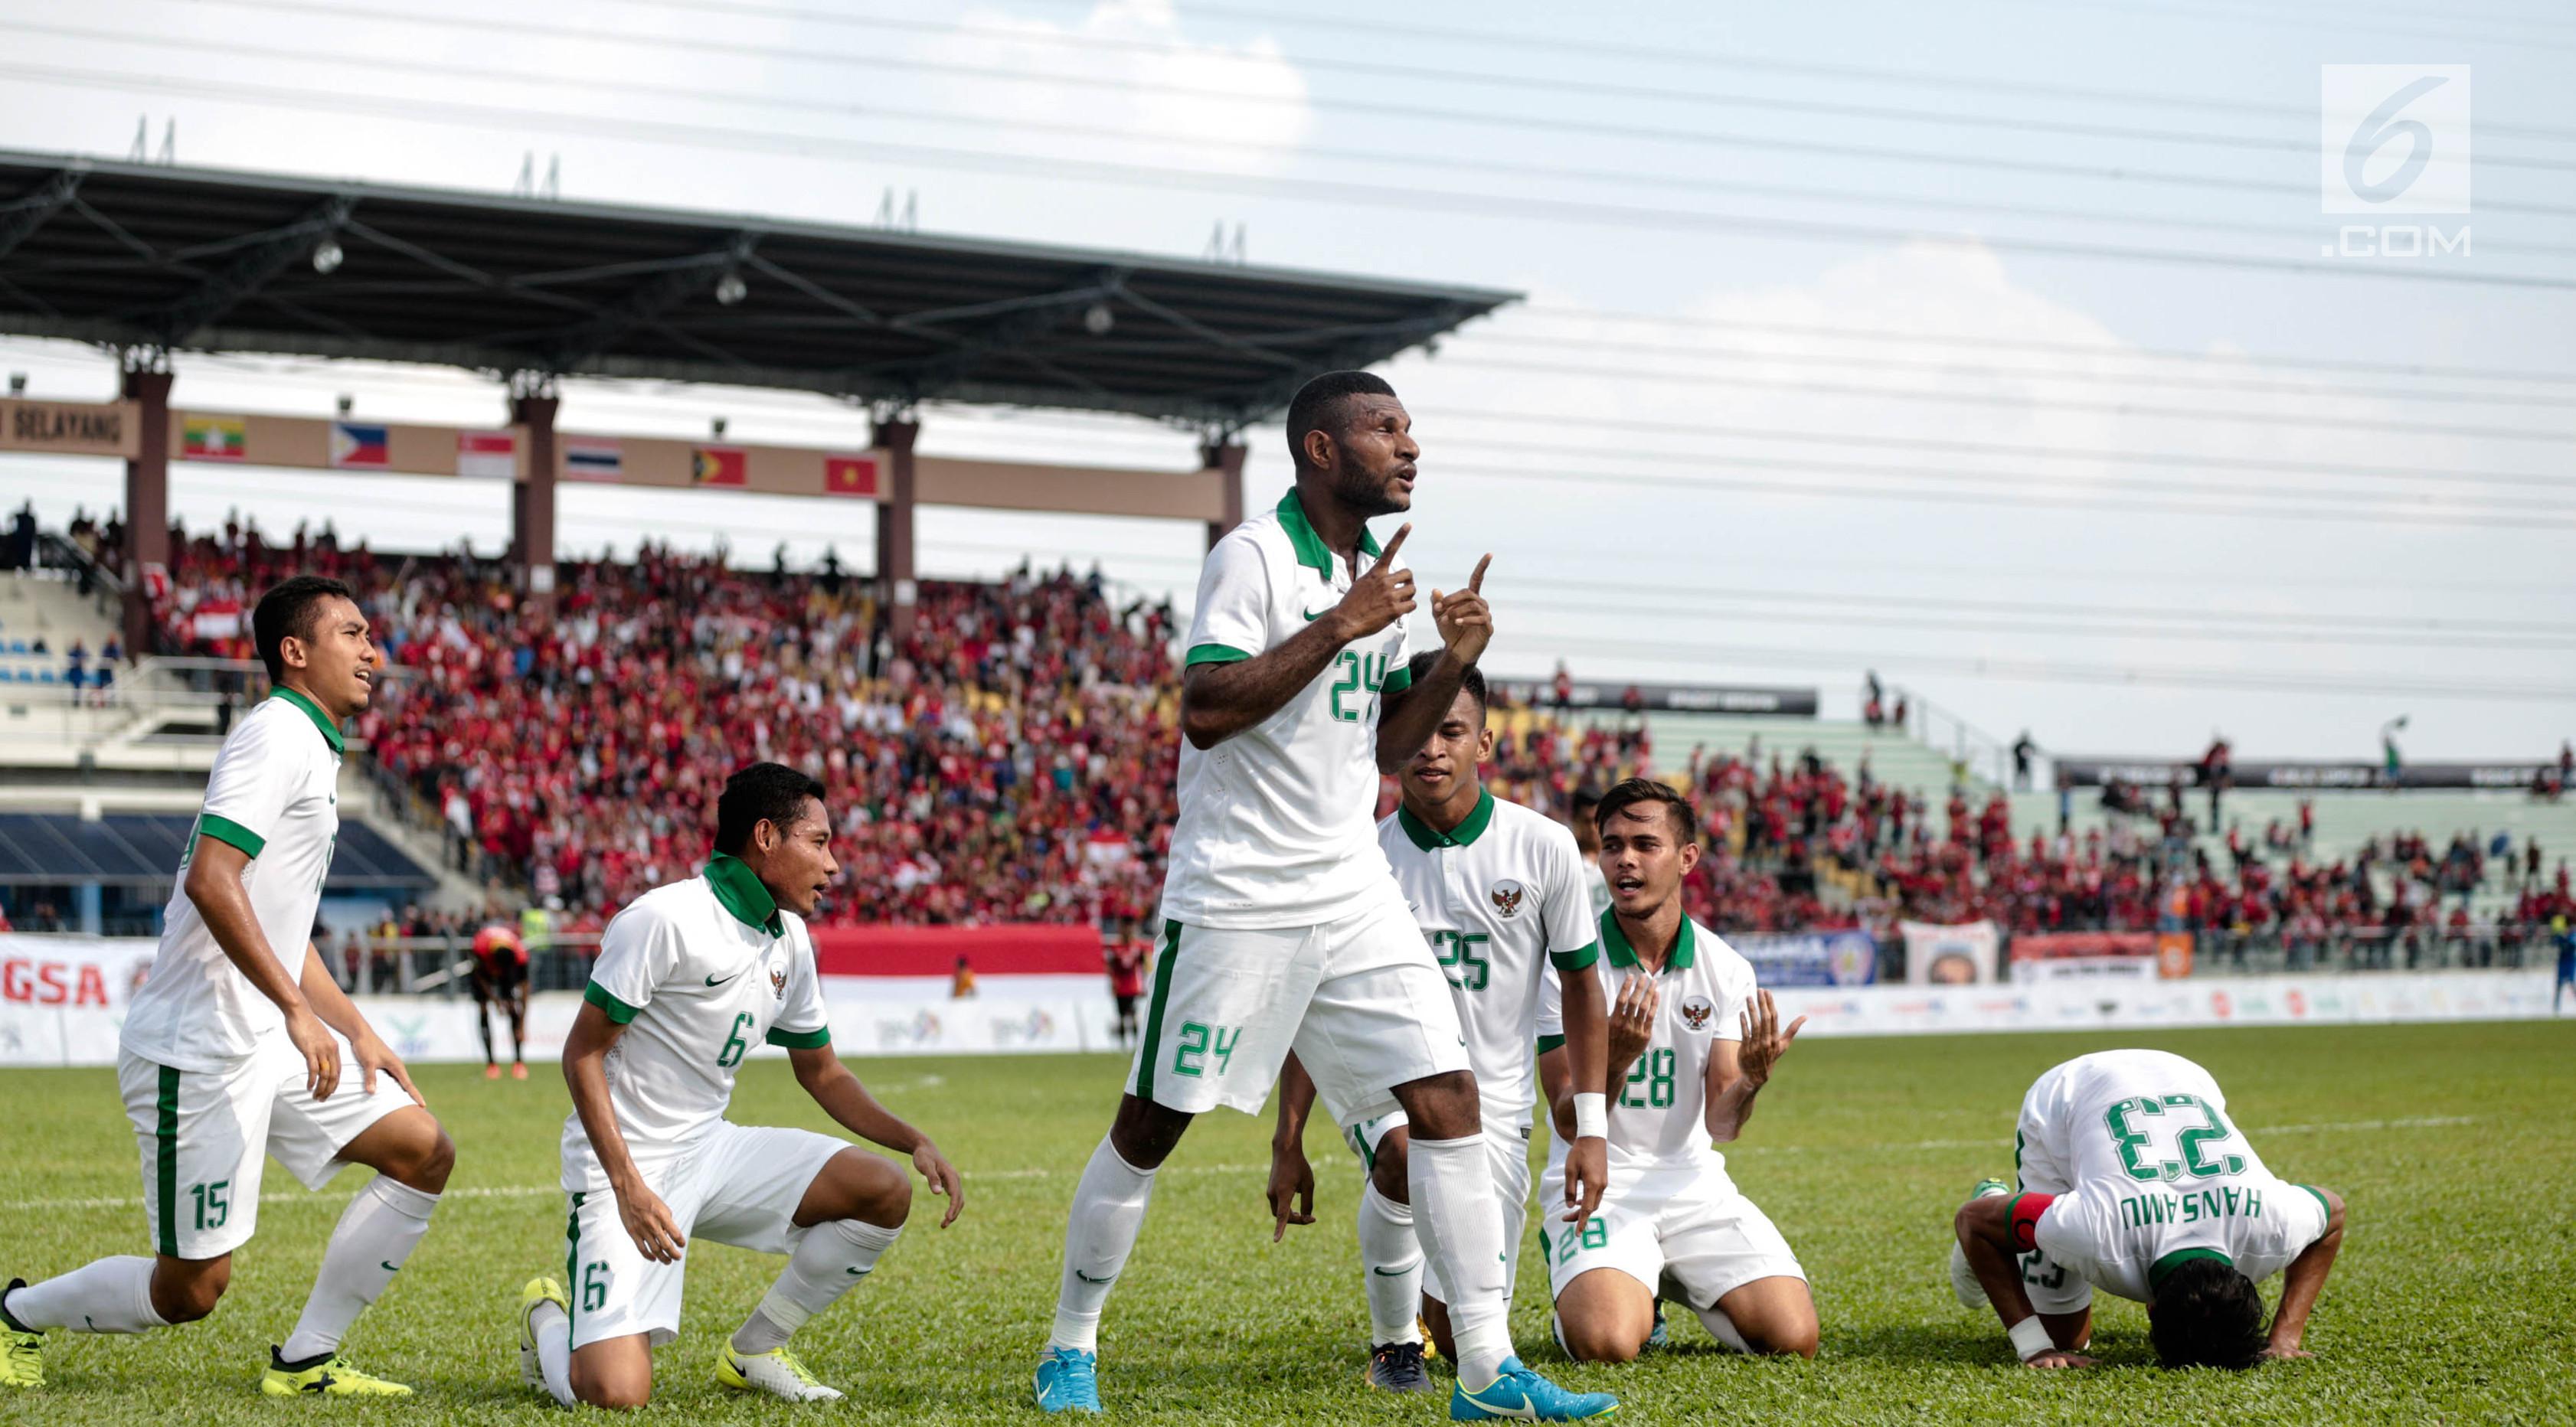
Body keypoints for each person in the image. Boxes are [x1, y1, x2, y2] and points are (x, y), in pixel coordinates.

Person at [1032, 371, 1613, 1421]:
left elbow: (1390, 746)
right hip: (1238, 893)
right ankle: (1069, 1348)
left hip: (1352, 887)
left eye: (1409, 428)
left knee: (1448, 1104)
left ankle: (1484, 1369)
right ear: (1321, 450)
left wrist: (1452, 664)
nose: (1410, 446)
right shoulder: (1253, 557)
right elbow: (1206, 707)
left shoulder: (1377, 578)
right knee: (1151, 1128)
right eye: (1386, 429)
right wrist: (1342, 625)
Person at [2, 576, 454, 1396]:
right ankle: (18, 1313)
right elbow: (215, 881)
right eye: (351, 634)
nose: (371, 652)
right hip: (199, 1044)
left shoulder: (311, 746)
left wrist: (351, 1025)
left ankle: (307, 1357)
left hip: (271, 1039)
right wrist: (294, 1010)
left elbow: (281, 922)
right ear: (294, 651)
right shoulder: (275, 736)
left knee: (422, 1150)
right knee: (193, 1289)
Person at [515, 762, 965, 1409]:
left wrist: (913, 1139)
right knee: (614, 1396)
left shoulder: (793, 941)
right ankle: (546, 1319)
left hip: (711, 1150)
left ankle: (755, 1348)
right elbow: (581, 1056)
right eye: (818, 842)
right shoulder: (663, 919)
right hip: (628, 1165)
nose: (833, 864)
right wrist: (628, 1187)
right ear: (765, 837)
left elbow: (823, 1072)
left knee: (883, 1191)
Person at [1267, 657, 1610, 1390]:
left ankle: (1431, 1314)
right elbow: (1314, 1003)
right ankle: (1392, 1347)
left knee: (1459, 1337)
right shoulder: (1358, 857)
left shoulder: (1544, 848)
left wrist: (1591, 1132)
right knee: (1400, 1150)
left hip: (1496, 1115)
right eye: (1417, 731)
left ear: (1483, 744)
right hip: (1388, 1093)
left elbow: (1582, 989)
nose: (1431, 749)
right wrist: (1288, 1137)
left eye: (1451, 731)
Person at [1536, 778, 1817, 1363]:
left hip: (1692, 1185)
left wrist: (1752, 1080)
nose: (1626, 860)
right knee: (1608, 1344)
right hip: (1597, 1183)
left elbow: (1723, 1124)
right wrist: (1612, 1061)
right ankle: (1619, 1290)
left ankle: (1658, 1275)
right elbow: (1567, 1121)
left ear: (1687, 857)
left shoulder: (1725, 967)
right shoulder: (1566, 962)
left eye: (1645, 844)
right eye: (1612, 846)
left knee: (1794, 1339)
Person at [1949, 1048, 2346, 1370]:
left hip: (2180, 1073)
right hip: (2069, 1095)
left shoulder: (2274, 1223)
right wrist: (2034, 1347)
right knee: (2059, 1340)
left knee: (2067, 1335)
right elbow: (1971, 1221)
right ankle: (1996, 1199)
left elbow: (2334, 1215)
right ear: (2151, 1310)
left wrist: (2285, 1337)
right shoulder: (2095, 1231)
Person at [469, 915, 531, 1080]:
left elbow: (525, 989)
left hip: (504, 961)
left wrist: (522, 1024)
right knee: (483, 1009)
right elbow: (479, 978)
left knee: (513, 1008)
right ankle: (491, 1064)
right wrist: (495, 1000)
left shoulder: (520, 956)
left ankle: (519, 1062)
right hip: (484, 967)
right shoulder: (480, 947)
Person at [1105, 934, 1147, 1048]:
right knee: (1122, 1017)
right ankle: (1123, 1045)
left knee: (1133, 1016)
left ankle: (1136, 1044)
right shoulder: (1115, 948)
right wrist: (1112, 984)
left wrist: (1144, 985)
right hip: (1120, 988)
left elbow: (1143, 967)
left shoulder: (1137, 947)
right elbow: (1111, 967)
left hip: (1133, 988)